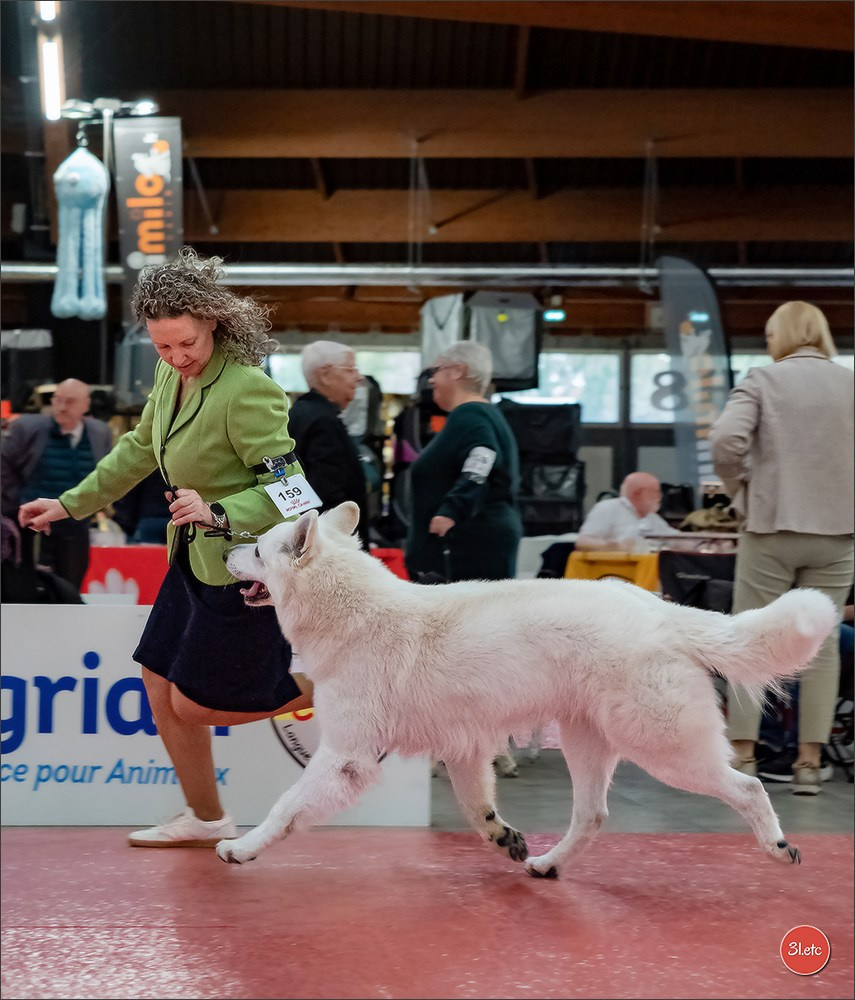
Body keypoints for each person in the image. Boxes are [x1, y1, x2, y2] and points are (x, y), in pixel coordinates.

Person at [17, 247, 314, 846]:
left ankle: (344, 686)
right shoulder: (169, 375)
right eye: (163, 347)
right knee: (156, 680)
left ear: (213, 322)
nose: (177, 357)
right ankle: (207, 819)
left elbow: (295, 493)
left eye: (188, 344)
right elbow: (138, 449)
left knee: (196, 704)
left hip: (242, 569)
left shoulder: (247, 390)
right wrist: (70, 504)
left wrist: (219, 511)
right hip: (189, 559)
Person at [710, 300, 854, 795]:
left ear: (785, 335)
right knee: (823, 644)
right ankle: (809, 764)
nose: (769, 342)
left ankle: (745, 755)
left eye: (771, 334)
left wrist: (741, 488)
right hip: (837, 533)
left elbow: (725, 441)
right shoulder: (850, 383)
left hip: (771, 526)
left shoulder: (762, 379)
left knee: (752, 638)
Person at [404, 340, 523, 584]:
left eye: (436, 370)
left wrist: (452, 510)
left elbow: (483, 456)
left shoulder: (470, 414)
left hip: (465, 548)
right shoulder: (482, 414)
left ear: (458, 370)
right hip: (476, 542)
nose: (431, 380)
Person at [1, 378, 113, 589]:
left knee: (71, 587)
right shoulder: (27, 428)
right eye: (57, 400)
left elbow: (107, 473)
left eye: (69, 401)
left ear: (85, 405)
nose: (61, 407)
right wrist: (15, 503)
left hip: (76, 525)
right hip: (33, 526)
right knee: (31, 588)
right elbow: (5, 465)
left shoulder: (100, 433)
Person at [287, 341, 371, 549]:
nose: (359, 377)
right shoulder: (323, 421)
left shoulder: (300, 412)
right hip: (330, 545)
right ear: (325, 375)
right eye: (350, 369)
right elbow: (327, 493)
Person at [574, 471, 678, 552]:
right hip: (613, 570)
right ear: (638, 493)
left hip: (646, 569)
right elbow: (583, 543)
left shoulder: (652, 518)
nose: (660, 497)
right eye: (655, 492)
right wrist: (616, 546)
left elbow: (676, 540)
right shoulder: (607, 508)